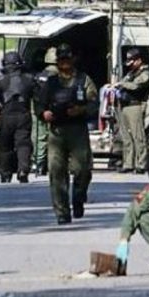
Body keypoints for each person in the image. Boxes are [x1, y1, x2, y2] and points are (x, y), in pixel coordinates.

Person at [36, 44, 98, 224]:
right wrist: (43, 114)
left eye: (67, 59)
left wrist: (81, 110)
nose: (64, 63)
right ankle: (62, 211)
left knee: (82, 169)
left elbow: (94, 102)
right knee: (56, 171)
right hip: (57, 131)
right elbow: (39, 103)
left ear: (73, 59)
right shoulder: (51, 83)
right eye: (61, 59)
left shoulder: (83, 80)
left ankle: (78, 197)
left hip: (77, 130)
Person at [0, 51, 36, 183]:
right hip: (23, 115)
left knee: (5, 146)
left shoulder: (0, 82)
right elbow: (40, 98)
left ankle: (6, 173)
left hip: (6, 116)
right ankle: (23, 169)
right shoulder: (29, 80)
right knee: (23, 143)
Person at [112, 48, 149, 174]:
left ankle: (141, 164)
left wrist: (121, 84)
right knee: (126, 137)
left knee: (138, 136)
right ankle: (128, 163)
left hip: (135, 105)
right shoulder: (131, 73)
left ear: (139, 60)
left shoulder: (145, 73)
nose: (130, 64)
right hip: (124, 106)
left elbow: (136, 86)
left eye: (132, 61)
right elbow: (124, 81)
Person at [31, 47, 58, 176]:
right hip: (56, 110)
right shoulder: (61, 76)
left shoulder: (39, 76)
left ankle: (39, 163)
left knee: (39, 137)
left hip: (39, 110)